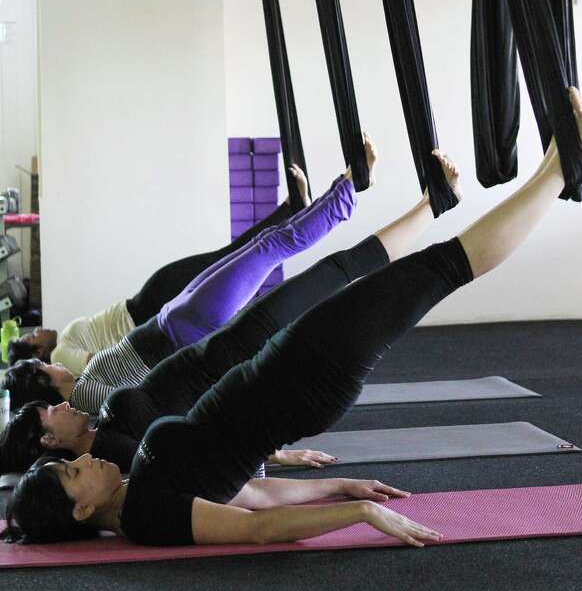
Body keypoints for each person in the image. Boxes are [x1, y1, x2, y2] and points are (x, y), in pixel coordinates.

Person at [3, 89, 582, 548]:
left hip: (279, 366)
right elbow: (258, 525)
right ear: (82, 509)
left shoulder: (135, 488)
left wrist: (338, 485)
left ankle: (553, 172)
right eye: (72, 473)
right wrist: (358, 512)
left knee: (425, 274)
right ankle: (558, 171)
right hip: (301, 380)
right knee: (434, 273)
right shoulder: (146, 515)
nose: (80, 460)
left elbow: (250, 490)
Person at [1, 144, 449, 475]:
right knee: (286, 255)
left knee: (267, 249)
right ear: (48, 436)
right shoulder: (95, 407)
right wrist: (269, 456)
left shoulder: (92, 403)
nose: (51, 374)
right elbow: (195, 419)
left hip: (177, 323)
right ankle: (354, 189)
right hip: (193, 332)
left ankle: (357, 195)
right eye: (48, 407)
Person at [5, 145, 376, 415]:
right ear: (46, 380)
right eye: (44, 369)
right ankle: (346, 192)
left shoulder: (84, 388)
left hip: (173, 320)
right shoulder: (85, 396)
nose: (53, 364)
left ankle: (332, 196)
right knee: (269, 249)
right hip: (185, 330)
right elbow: (152, 404)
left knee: (263, 247)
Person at [7, 169, 312, 374]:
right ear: (36, 354)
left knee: (227, 257)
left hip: (149, 303)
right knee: (230, 258)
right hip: (151, 312)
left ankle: (292, 209)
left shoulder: (64, 345)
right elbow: (101, 365)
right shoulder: (60, 356)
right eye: (33, 336)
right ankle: (293, 210)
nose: (37, 330)